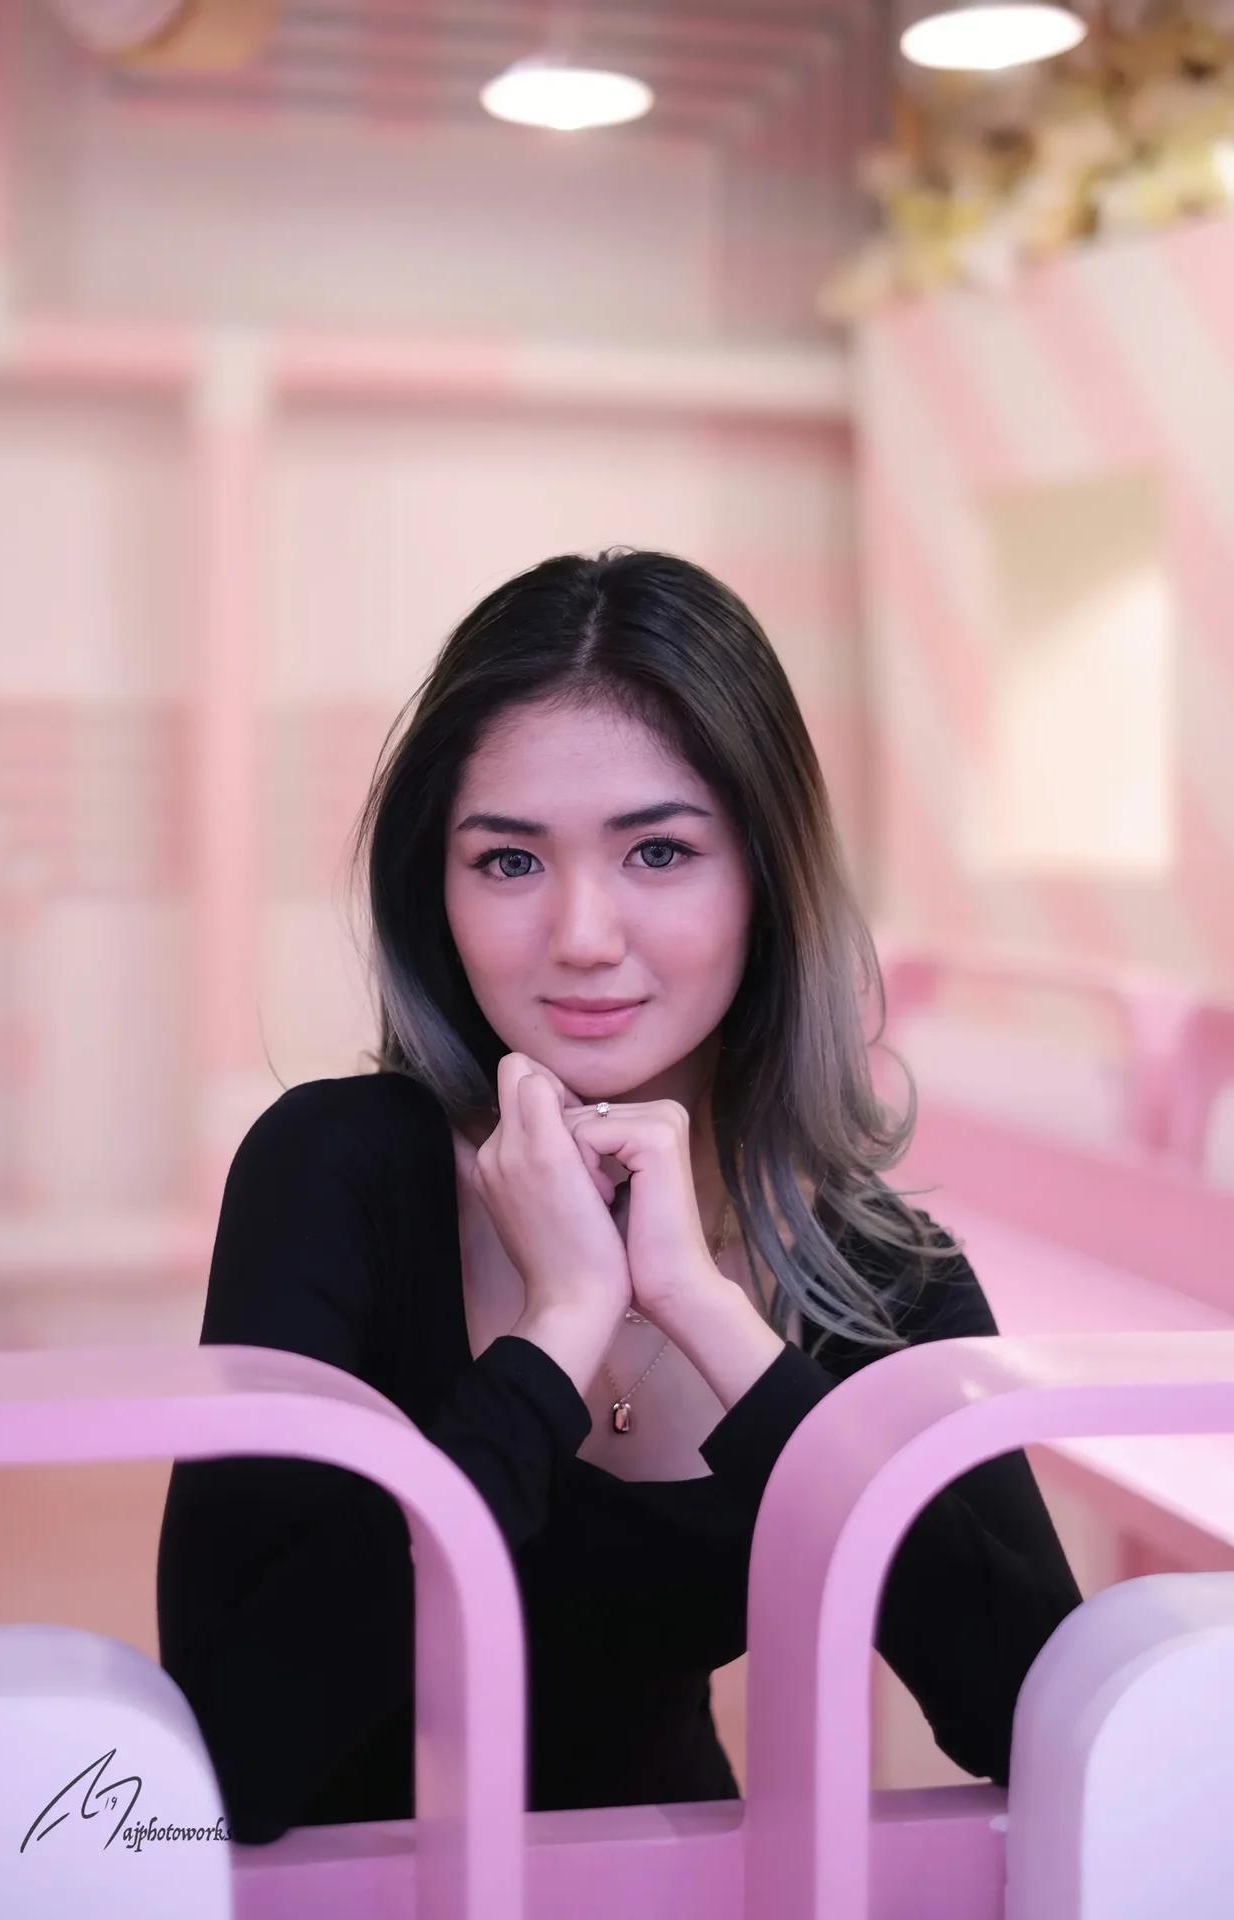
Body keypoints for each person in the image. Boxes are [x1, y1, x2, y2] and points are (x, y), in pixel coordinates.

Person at [156, 548, 1082, 1845]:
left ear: (767, 881)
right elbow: (235, 1753)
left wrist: (709, 1315)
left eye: (658, 851)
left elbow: (1043, 1726)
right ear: (437, 888)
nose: (583, 936)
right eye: (509, 862)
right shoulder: (334, 1170)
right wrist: (559, 1330)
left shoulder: (883, 1273)